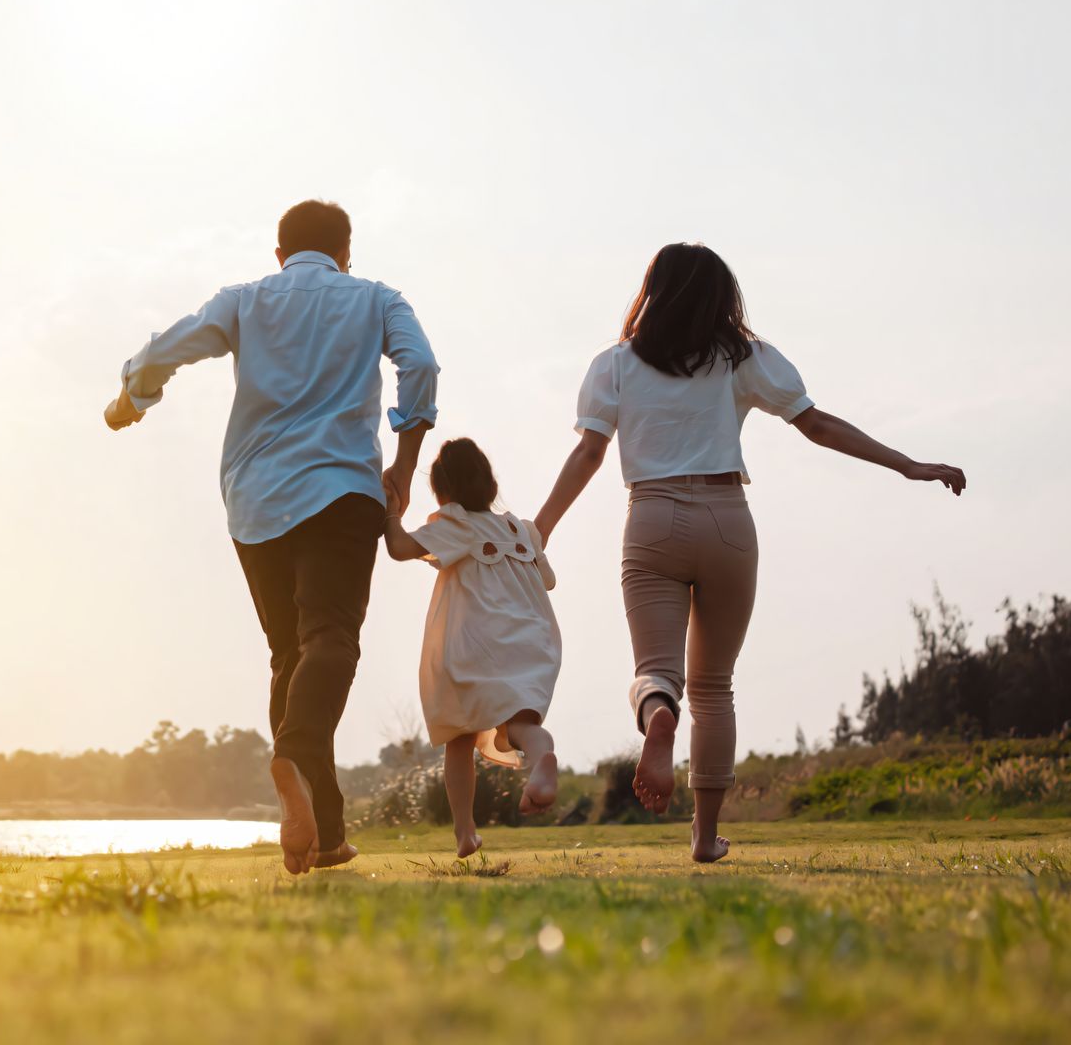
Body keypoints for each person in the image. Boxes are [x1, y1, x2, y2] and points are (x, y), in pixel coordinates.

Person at [533, 242, 965, 863]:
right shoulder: (743, 359)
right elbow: (817, 425)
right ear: (721, 296)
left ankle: (658, 714)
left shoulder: (616, 365)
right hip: (726, 521)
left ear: (651, 292)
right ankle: (705, 839)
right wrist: (907, 465)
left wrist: (542, 525)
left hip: (651, 518)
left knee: (659, 671)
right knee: (714, 688)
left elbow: (589, 453)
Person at [105, 200, 439, 875]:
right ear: (347, 252)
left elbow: (166, 346)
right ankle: (291, 755)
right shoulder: (375, 297)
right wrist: (402, 469)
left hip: (255, 500)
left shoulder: (246, 300)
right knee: (331, 640)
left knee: (291, 655)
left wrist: (132, 399)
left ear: (279, 254)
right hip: (342, 492)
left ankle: (325, 834)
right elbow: (421, 367)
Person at [382, 438, 561, 859]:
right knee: (520, 724)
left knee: (459, 738)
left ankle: (466, 832)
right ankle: (540, 757)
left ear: (443, 490)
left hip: (474, 643)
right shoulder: (521, 529)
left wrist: (391, 512)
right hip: (531, 640)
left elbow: (399, 547)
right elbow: (547, 581)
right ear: (489, 483)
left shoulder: (455, 523)